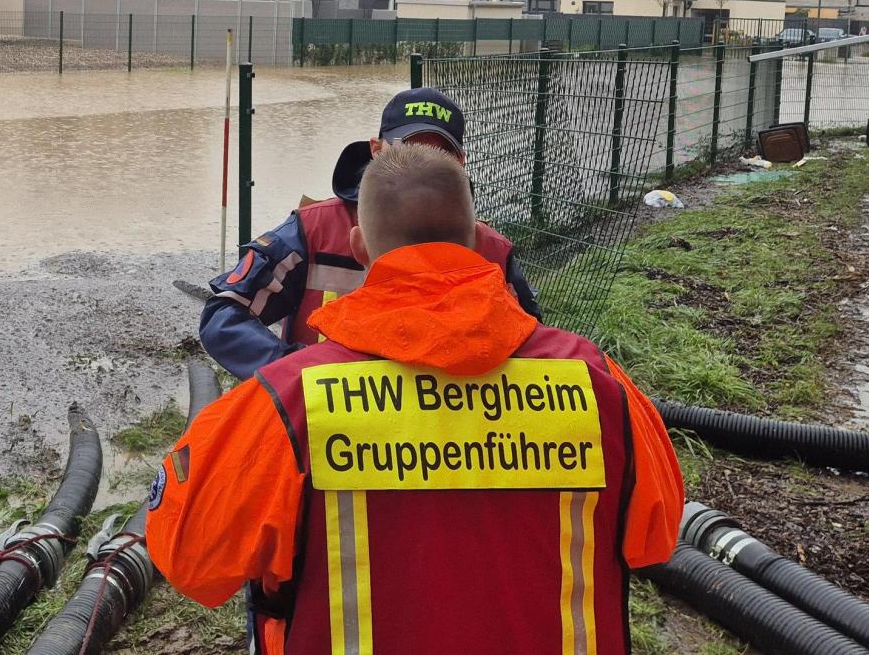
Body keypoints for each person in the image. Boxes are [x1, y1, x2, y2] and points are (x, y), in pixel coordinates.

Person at [149, 143, 684, 655]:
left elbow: (190, 558)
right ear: (477, 241)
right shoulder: (600, 385)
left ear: (360, 248)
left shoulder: (286, 404)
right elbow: (655, 538)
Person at [201, 87, 539, 379]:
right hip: (332, 434)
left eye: (439, 155)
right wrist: (294, 374)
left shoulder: (492, 251)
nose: (421, 163)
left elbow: (530, 340)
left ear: (461, 163)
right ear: (376, 149)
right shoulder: (315, 230)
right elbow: (224, 315)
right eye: (409, 148)